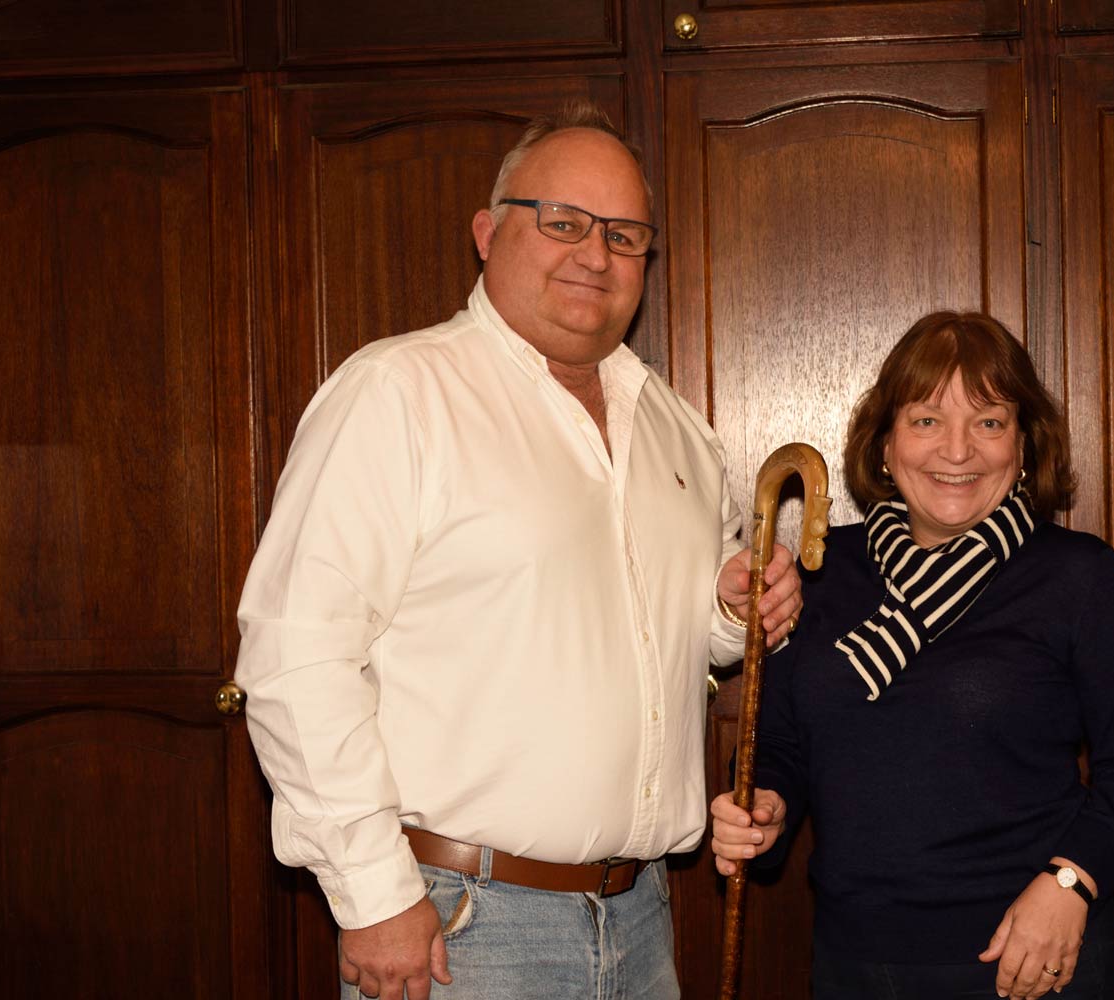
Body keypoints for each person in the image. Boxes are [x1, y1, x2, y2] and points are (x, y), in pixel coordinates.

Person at [234, 101, 802, 1000]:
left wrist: (736, 605)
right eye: (564, 222)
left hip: (641, 917)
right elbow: (296, 655)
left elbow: (687, 641)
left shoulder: (677, 430)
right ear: (488, 233)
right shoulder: (397, 394)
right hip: (460, 927)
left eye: (624, 234)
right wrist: (373, 893)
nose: (595, 253)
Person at [709, 312, 1114, 1000]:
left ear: (1024, 444)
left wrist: (1071, 882)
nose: (957, 452)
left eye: (989, 422)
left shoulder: (1081, 579)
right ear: (884, 444)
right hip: (853, 960)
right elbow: (780, 744)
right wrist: (765, 811)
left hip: (1024, 962)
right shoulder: (816, 571)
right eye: (927, 420)